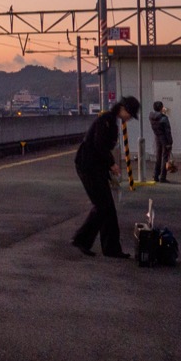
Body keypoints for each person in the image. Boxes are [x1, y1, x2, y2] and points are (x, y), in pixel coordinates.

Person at [71, 95, 139, 258]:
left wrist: (109, 166)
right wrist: (112, 164)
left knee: (107, 208)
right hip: (88, 167)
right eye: (130, 114)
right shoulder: (106, 121)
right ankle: (82, 239)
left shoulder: (110, 121)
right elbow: (99, 144)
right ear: (123, 109)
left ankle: (111, 248)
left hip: (94, 168)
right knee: (103, 206)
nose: (129, 118)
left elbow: (100, 147)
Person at [149, 100, 174, 183]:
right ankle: (163, 177)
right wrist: (170, 142)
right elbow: (167, 131)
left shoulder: (151, 117)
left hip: (157, 138)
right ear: (161, 108)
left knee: (158, 157)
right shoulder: (164, 118)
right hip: (164, 140)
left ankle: (155, 175)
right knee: (165, 158)